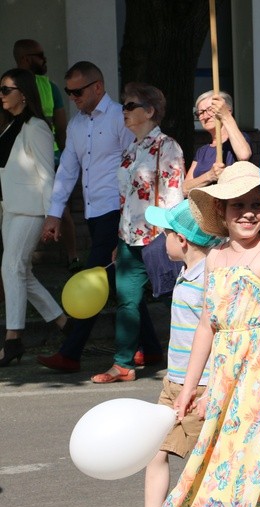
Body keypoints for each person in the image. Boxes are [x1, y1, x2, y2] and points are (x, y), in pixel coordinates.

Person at [163, 162, 260, 507]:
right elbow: (207, 326)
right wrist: (190, 388)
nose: (249, 214)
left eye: (257, 205)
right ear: (221, 210)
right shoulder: (215, 258)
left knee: (257, 462)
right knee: (225, 460)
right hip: (227, 378)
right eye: (239, 205)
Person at [35, 61, 151, 374]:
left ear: (97, 87)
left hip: (118, 210)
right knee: (119, 279)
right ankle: (150, 347)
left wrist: (131, 215)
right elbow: (67, 171)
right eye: (69, 91)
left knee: (93, 278)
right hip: (94, 212)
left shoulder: (119, 117)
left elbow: (135, 166)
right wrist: (54, 215)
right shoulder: (75, 126)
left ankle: (71, 351)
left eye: (78, 91)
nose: (72, 97)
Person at [90, 82, 185, 383]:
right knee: (127, 302)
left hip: (158, 237)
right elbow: (126, 199)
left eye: (130, 106)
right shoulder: (131, 149)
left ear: (150, 111)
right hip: (130, 238)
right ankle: (123, 363)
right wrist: (120, 237)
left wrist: (172, 234)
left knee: (177, 300)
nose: (124, 112)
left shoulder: (167, 146)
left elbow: (174, 194)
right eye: (124, 106)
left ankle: (195, 357)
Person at [142, 200, 220, 507]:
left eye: (166, 234)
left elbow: (216, 335)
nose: (163, 241)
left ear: (182, 240)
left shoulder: (208, 279)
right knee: (155, 451)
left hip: (200, 387)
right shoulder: (186, 272)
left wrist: (210, 389)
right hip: (173, 383)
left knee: (200, 462)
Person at [0, 68, 68, 367]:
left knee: (12, 267)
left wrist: (52, 216)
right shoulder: (11, 126)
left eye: (5, 89)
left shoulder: (36, 126)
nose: (1, 95)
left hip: (30, 210)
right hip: (11, 209)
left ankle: (13, 338)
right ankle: (66, 324)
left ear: (23, 94)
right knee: (21, 273)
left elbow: (46, 174)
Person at [13, 39, 80, 271]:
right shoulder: (10, 87)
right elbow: (60, 127)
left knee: (60, 208)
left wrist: (67, 161)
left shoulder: (49, 87)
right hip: (23, 162)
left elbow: (61, 129)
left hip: (47, 159)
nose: (45, 59)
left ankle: (73, 258)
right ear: (25, 59)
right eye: (39, 55)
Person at [181, 90, 251, 194]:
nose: (205, 116)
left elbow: (244, 155)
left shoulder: (239, 139)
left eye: (210, 110)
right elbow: (184, 189)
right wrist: (209, 176)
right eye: (200, 113)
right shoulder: (202, 151)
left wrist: (226, 116)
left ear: (227, 110)